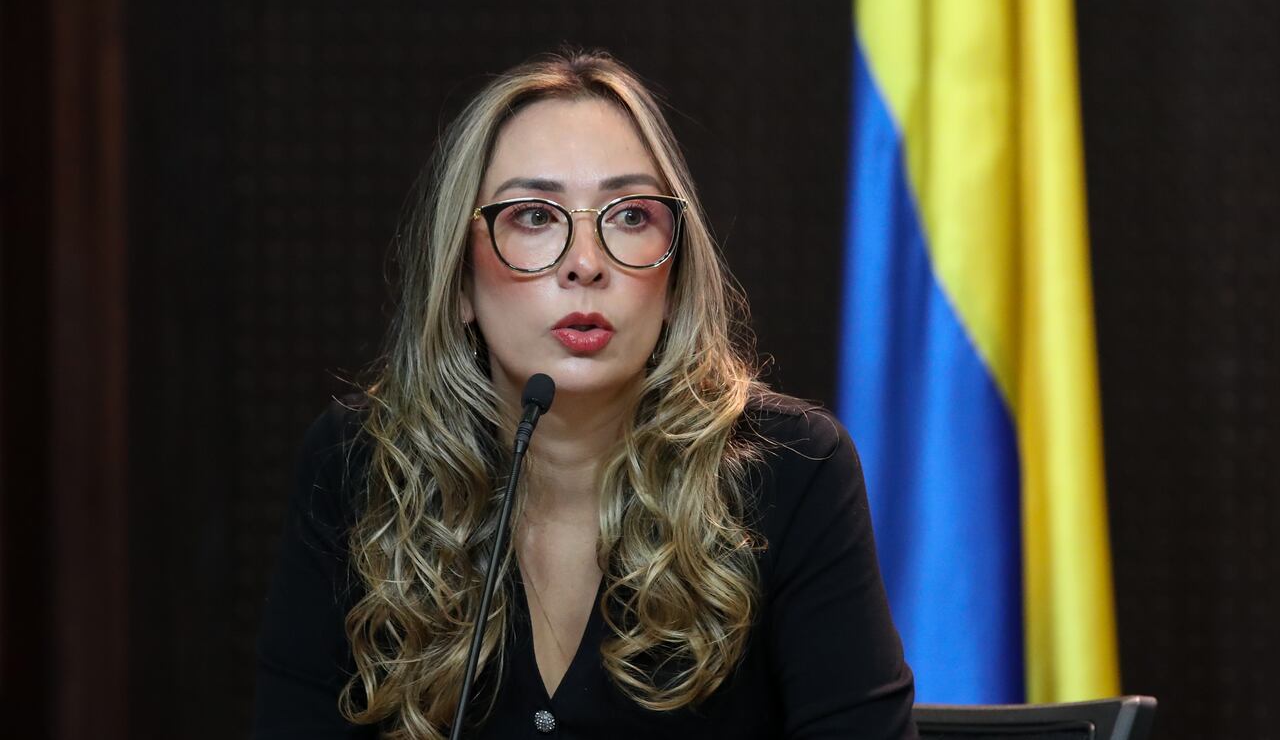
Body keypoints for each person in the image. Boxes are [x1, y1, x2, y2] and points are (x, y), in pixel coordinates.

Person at [252, 50, 916, 740]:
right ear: (459, 283)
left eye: (630, 216)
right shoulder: (360, 467)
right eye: (534, 216)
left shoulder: (790, 470)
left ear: (675, 277)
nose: (586, 263)